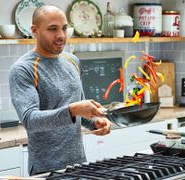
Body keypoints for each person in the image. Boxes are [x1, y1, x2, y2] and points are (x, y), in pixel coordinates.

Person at [9, 5, 112, 176]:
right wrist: (73, 110)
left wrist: (95, 121)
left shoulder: (72, 61)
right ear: (35, 31)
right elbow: (30, 120)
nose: (61, 35)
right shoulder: (23, 69)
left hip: (78, 164)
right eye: (52, 29)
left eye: (64, 28)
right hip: (46, 168)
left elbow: (79, 112)